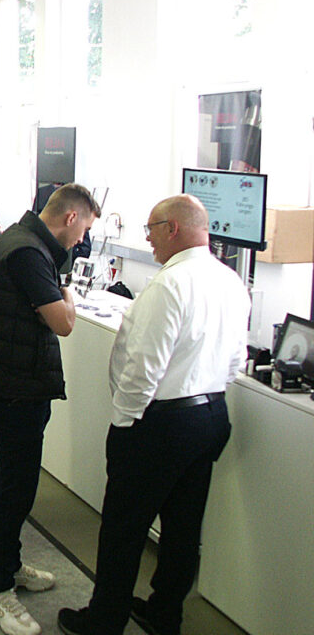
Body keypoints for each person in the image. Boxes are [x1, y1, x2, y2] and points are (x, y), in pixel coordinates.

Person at [57, 195, 250, 635]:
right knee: (184, 527)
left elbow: (143, 366)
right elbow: (235, 361)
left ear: (173, 229)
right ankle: (166, 614)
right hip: (210, 417)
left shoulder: (169, 285)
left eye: (150, 228)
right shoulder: (230, 280)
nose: (147, 238)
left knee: (124, 528)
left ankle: (104, 621)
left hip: (159, 425)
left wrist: (125, 424)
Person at [0, 183, 100, 635]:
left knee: (18, 483)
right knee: (15, 487)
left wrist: (60, 289)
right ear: (69, 218)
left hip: (13, 379)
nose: (82, 239)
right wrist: (68, 298)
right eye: (84, 228)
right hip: (14, 386)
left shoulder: (23, 239)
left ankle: (9, 564)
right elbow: (63, 323)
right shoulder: (28, 253)